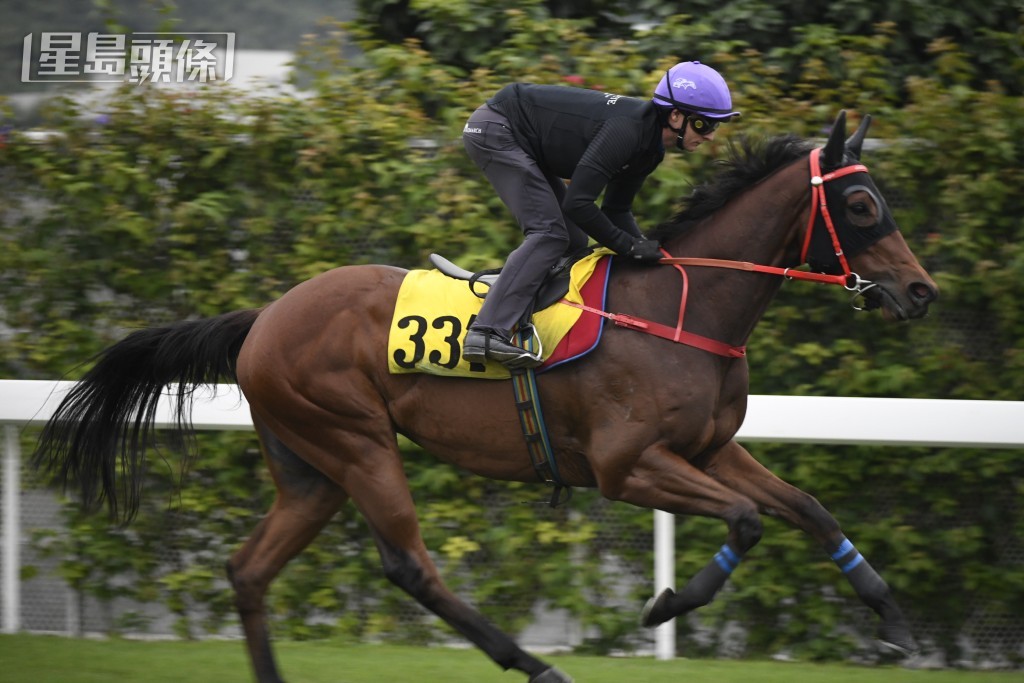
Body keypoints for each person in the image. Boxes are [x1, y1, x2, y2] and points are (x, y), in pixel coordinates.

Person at [461, 61, 740, 369]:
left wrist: (654, 253)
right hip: (497, 128)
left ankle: (525, 312)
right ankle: (486, 331)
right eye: (705, 125)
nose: (711, 136)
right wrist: (630, 247)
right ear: (675, 115)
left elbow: (616, 210)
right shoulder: (628, 132)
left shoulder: (650, 149)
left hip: (521, 136)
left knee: (574, 241)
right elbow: (578, 204)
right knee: (551, 234)